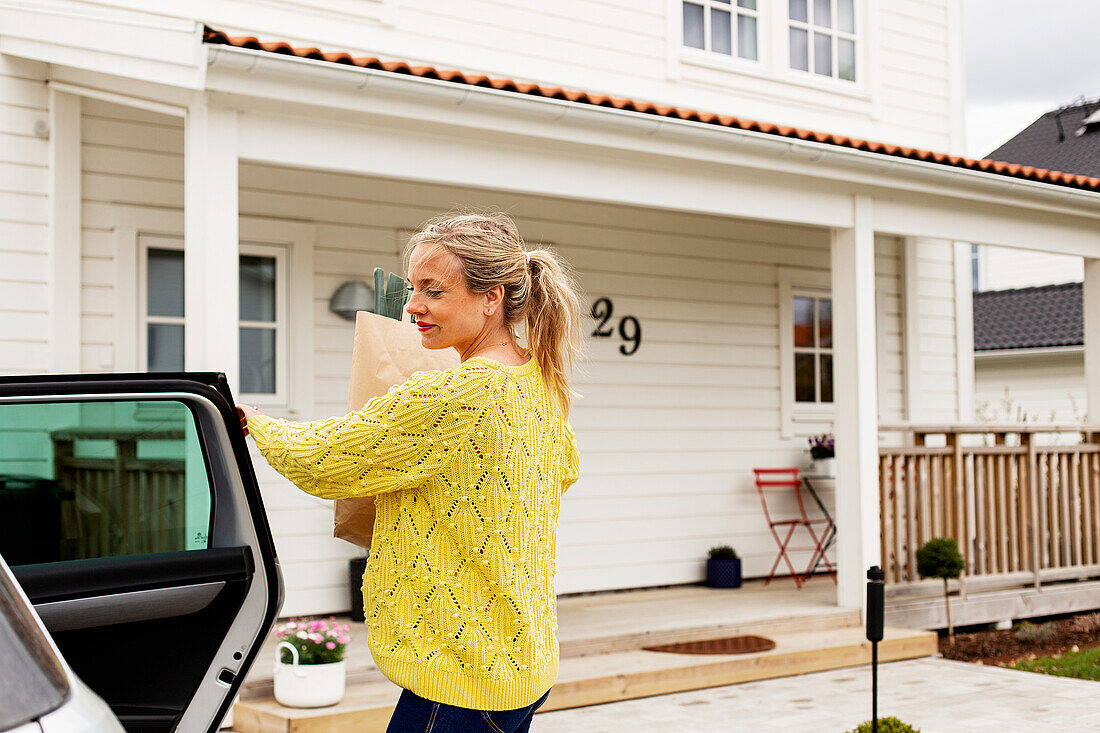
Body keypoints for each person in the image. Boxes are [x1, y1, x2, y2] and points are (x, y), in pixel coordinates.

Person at [237, 211, 582, 732]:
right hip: (519, 663)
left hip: (459, 679)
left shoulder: (458, 395)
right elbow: (565, 468)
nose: (412, 305)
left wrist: (256, 423)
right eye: (414, 287)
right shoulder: (537, 380)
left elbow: (323, 459)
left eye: (433, 290)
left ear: (491, 298)